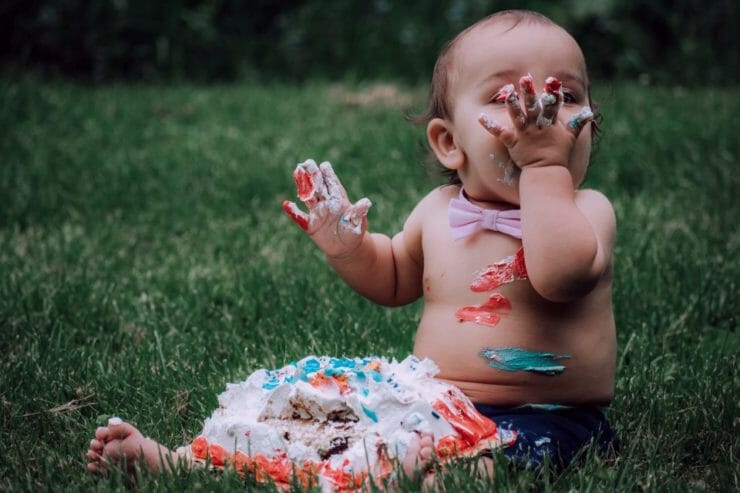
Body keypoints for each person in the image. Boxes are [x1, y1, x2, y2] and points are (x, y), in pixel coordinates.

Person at [86, 9, 616, 483]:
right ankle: (189, 461)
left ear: (589, 124)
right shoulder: (436, 211)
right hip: (429, 405)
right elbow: (392, 279)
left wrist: (544, 169)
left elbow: (559, 275)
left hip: (546, 417)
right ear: (450, 143)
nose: (540, 115)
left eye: (564, 96)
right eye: (509, 98)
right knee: (315, 419)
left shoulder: (586, 211)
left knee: (467, 473)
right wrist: (348, 248)